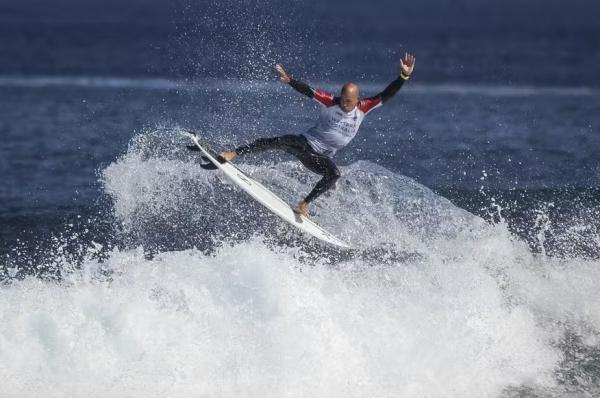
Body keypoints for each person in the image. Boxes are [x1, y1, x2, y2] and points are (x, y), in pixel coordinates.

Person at [219, 52, 416, 217]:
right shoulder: (331, 101)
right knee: (279, 141)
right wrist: (289, 80)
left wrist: (403, 77)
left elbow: (388, 93)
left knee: (334, 175)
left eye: (349, 100)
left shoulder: (364, 107)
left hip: (319, 158)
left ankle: (303, 205)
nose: (344, 103)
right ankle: (233, 153)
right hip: (306, 144)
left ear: (357, 99)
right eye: (343, 99)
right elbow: (309, 91)